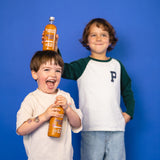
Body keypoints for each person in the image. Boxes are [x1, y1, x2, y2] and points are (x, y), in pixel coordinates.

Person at [42, 18, 135, 160]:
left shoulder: (117, 65)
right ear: (86, 41)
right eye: (93, 35)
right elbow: (62, 69)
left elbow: (127, 89)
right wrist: (54, 47)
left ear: (110, 41)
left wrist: (129, 112)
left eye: (103, 34)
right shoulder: (82, 65)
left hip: (116, 128)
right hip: (91, 128)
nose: (99, 38)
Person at [16, 50, 82, 160]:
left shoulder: (66, 97)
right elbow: (21, 130)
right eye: (46, 69)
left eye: (58, 71)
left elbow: (77, 124)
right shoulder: (31, 99)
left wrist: (68, 110)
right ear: (35, 74)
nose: (53, 74)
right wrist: (45, 116)